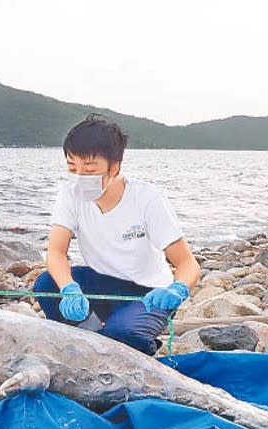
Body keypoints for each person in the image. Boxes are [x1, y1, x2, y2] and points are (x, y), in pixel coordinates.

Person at [34, 114, 200, 355]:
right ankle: (91, 336)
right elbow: (56, 252)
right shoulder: (69, 195)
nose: (80, 176)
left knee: (124, 334)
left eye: (89, 169)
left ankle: (137, 344)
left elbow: (187, 263)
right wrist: (69, 288)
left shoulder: (147, 199)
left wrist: (177, 289)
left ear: (114, 167)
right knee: (46, 284)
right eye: (72, 167)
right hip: (101, 283)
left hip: (148, 292)